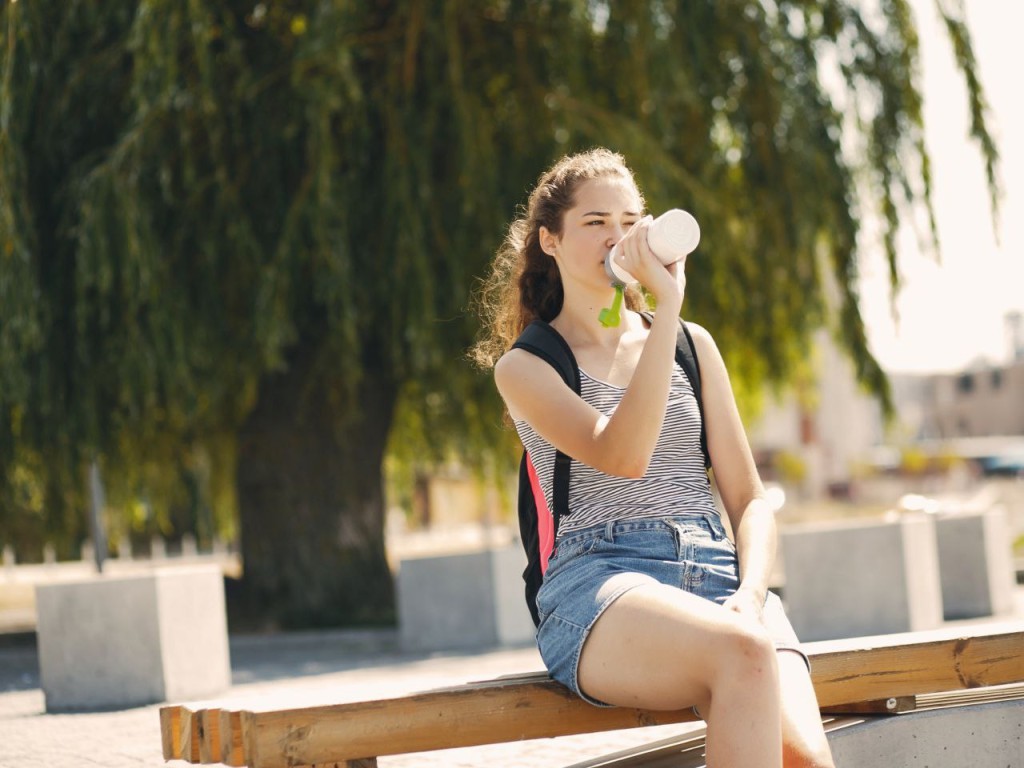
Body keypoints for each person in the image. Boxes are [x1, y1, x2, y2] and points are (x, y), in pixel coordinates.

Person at [471, 148, 835, 767]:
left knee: (805, 760)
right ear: (550, 241)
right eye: (595, 223)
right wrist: (666, 307)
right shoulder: (528, 367)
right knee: (743, 653)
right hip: (601, 583)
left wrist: (751, 593)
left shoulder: (695, 347)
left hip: (725, 583)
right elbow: (625, 454)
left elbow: (750, 501)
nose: (618, 238)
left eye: (630, 221)